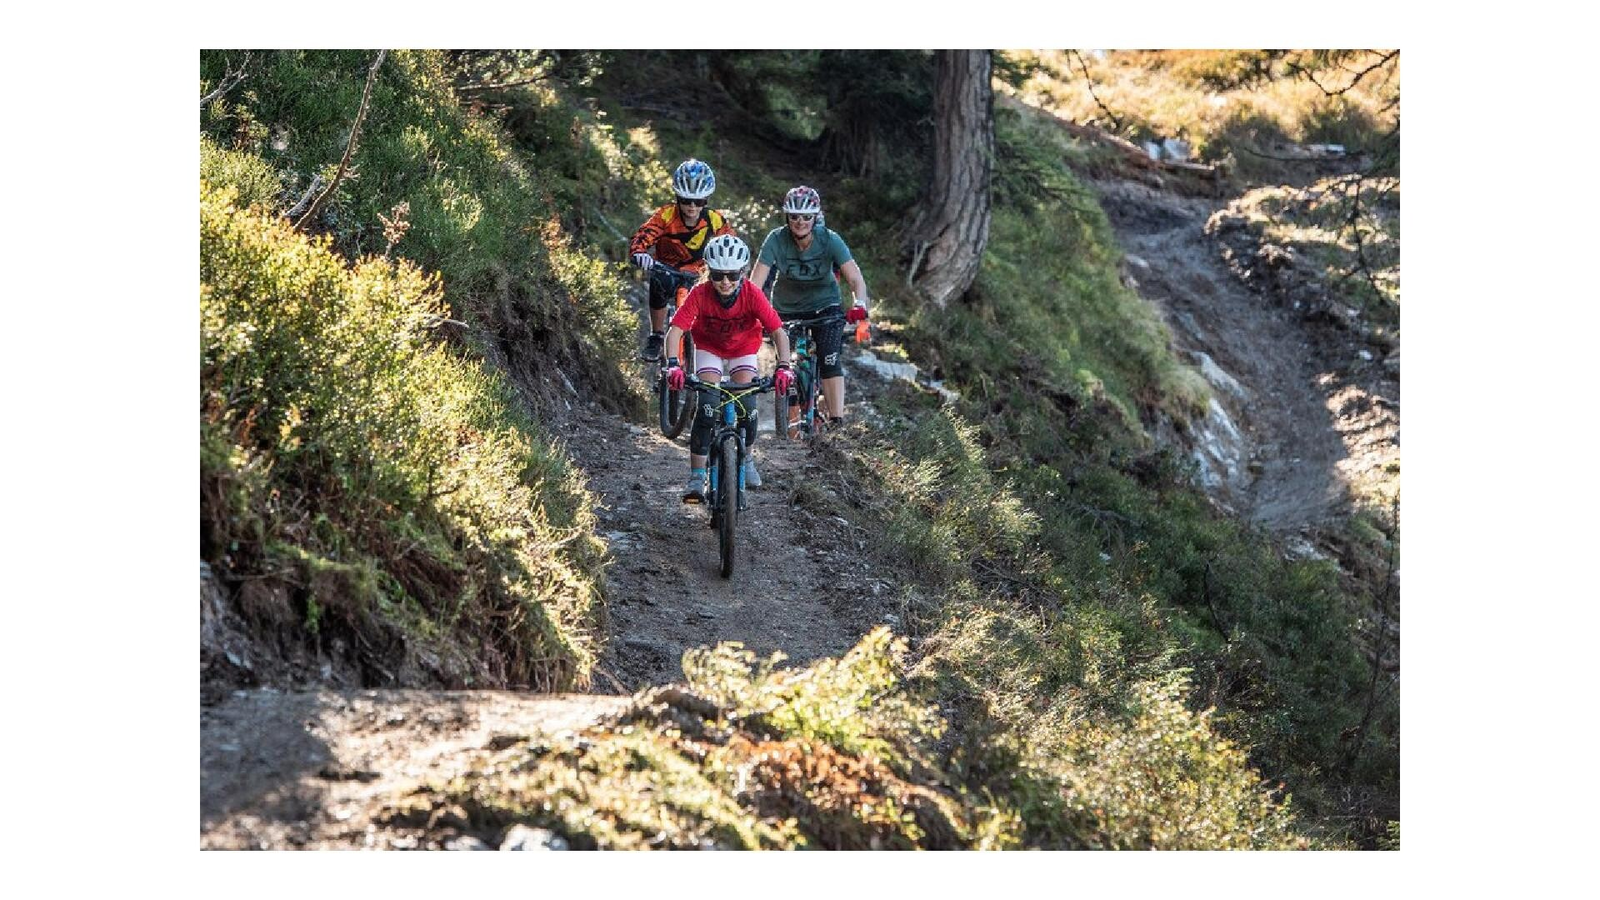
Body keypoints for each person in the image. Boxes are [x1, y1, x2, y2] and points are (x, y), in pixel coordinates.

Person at [661, 234, 794, 503]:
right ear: (709, 272)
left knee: (749, 406)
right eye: (718, 275)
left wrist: (784, 366)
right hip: (709, 348)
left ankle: (748, 459)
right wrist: (673, 365)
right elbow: (675, 332)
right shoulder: (700, 293)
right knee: (707, 406)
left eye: (732, 275)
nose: (725, 282)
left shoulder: (752, 293)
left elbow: (779, 332)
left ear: (742, 273)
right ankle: (697, 476)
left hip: (743, 349)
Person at [747, 186, 869, 429]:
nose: (800, 222)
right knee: (786, 362)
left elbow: (855, 278)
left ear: (815, 217)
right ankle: (791, 424)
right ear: (787, 217)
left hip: (825, 306)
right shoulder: (776, 239)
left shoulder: (830, 240)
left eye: (806, 216)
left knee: (829, 358)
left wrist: (860, 304)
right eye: (794, 216)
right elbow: (755, 283)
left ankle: (836, 422)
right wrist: (752, 311)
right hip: (785, 308)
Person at [629, 159, 737, 361]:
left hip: (700, 272)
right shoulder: (666, 215)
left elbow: (731, 245)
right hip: (667, 268)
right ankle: (656, 335)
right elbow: (644, 234)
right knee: (659, 281)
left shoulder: (714, 220)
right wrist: (639, 252)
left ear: (706, 200)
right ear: (678, 197)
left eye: (699, 201)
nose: (692, 207)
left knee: (721, 292)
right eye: (686, 200)